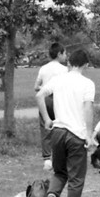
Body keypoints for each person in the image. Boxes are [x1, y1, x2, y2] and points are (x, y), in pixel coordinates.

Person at [36, 48, 96, 197]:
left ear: (69, 63)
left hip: (58, 132)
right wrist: (89, 134)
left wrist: (47, 119)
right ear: (86, 64)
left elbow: (39, 95)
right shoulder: (87, 84)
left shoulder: (58, 79)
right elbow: (87, 109)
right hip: (76, 134)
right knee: (76, 177)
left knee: (59, 172)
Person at [34, 42, 67, 171]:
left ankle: (47, 160)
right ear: (59, 54)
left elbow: (36, 87)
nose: (65, 56)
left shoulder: (43, 68)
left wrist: (45, 88)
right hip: (59, 100)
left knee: (45, 127)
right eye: (64, 53)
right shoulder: (64, 70)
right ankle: (61, 156)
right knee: (61, 127)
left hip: (45, 100)